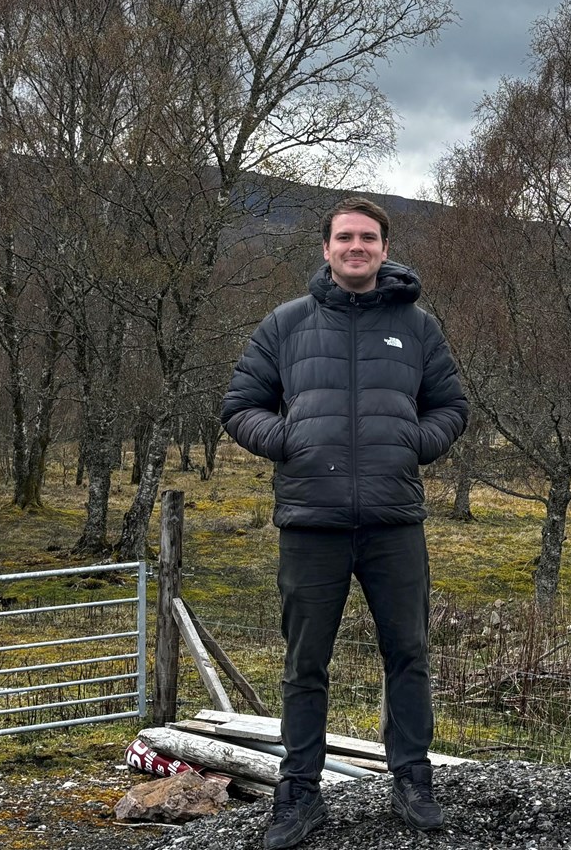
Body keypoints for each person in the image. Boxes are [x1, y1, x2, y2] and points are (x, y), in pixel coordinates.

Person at [220, 197, 468, 850]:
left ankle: (412, 779)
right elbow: (239, 404)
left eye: (368, 238)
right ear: (327, 248)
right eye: (345, 238)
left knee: (408, 655)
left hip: (394, 524)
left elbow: (452, 404)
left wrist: (415, 441)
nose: (356, 247)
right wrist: (291, 438)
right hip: (311, 523)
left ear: (385, 249)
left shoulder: (418, 327)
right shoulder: (286, 324)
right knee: (306, 663)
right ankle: (299, 793)